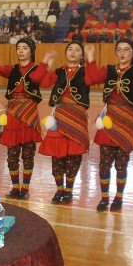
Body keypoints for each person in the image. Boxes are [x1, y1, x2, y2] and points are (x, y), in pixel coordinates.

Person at [88, 39, 133, 212]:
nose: (123, 53)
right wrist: (91, 59)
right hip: (108, 120)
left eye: (127, 50)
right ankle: (104, 198)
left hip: (126, 121)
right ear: (116, 53)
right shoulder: (110, 70)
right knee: (104, 163)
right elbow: (92, 78)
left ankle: (118, 198)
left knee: (121, 164)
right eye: (119, 50)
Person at [0, 37, 54, 199]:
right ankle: (15, 187)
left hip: (29, 114)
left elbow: (43, 82)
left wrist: (46, 65)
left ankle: (24, 188)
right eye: (19, 48)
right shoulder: (12, 69)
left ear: (31, 51)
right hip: (12, 114)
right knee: (12, 154)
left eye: (25, 48)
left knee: (27, 154)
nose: (21, 51)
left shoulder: (37, 68)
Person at [38, 41, 94, 204]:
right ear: (66, 53)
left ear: (81, 55)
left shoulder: (85, 72)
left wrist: (91, 60)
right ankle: (59, 190)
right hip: (59, 116)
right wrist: (46, 62)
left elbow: (93, 78)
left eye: (77, 50)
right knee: (57, 155)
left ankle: (68, 190)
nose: (73, 52)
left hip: (77, 116)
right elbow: (44, 82)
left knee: (73, 156)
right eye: (70, 49)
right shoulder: (59, 72)